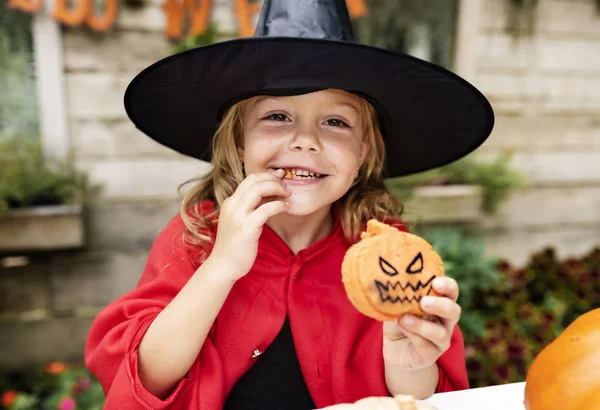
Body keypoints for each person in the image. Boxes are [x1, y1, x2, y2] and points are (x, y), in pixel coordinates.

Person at [84, 1, 494, 409]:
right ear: (241, 143)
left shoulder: (390, 254)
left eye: (336, 122)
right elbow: (144, 381)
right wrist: (220, 267)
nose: (305, 140)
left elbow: (418, 397)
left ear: (364, 153)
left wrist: (412, 361)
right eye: (278, 115)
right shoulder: (198, 235)